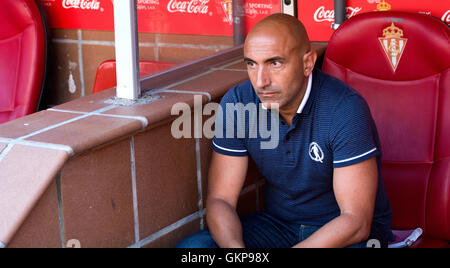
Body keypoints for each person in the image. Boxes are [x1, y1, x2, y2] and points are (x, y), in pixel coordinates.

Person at [176, 13, 393, 248]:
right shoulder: (239, 101)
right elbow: (220, 200)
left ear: (307, 63)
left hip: (343, 234)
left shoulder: (344, 108)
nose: (260, 81)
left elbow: (355, 222)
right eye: (251, 64)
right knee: (195, 248)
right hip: (278, 226)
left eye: (275, 63)